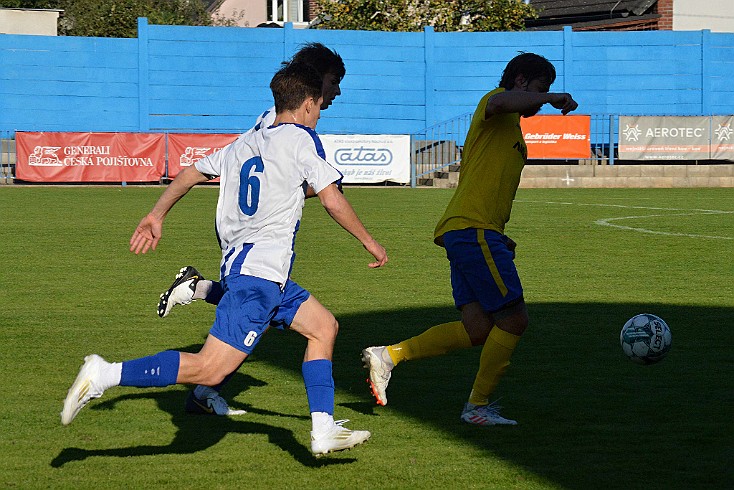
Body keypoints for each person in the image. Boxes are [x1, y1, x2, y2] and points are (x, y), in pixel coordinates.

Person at [61, 61, 388, 457]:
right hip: (260, 275)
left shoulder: (243, 144)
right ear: (305, 104)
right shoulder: (300, 140)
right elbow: (332, 197)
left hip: (248, 268)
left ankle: (323, 430)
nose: (321, 111)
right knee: (210, 368)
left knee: (323, 327)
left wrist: (156, 214)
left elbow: (188, 174)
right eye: (319, 104)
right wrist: (369, 241)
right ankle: (105, 373)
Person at [361, 52, 578, 426]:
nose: (542, 100)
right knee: (514, 319)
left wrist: (498, 234)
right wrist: (549, 98)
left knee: (477, 329)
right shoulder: (495, 104)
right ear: (523, 81)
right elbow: (501, 101)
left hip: (473, 231)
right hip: (473, 230)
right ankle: (477, 407)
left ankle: (389, 355)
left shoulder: (510, 125)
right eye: (540, 89)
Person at [156, 42, 345, 417]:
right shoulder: (292, 131)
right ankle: (115, 373)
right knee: (263, 307)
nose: (337, 91)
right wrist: (327, 187)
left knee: (264, 310)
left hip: (244, 236)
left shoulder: (271, 120)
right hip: (257, 240)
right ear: (314, 82)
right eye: (334, 81)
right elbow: (277, 178)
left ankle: (198, 293)